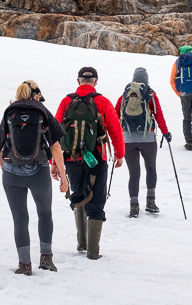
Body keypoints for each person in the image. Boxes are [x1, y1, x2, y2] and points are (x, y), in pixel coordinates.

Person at [0, 80, 69, 276]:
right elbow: (56, 147)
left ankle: (25, 265)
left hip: (12, 174)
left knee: (20, 219)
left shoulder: (10, 111)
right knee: (44, 214)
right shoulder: (41, 111)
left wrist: (5, 169)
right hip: (38, 172)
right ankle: (46, 259)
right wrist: (63, 176)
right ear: (36, 95)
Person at [55, 67, 125, 261]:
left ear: (78, 81)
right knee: (96, 199)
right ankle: (93, 252)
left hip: (71, 158)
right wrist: (119, 154)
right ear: (95, 81)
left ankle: (81, 243)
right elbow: (115, 129)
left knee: (78, 195)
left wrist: (54, 162)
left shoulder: (67, 101)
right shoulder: (102, 101)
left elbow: (54, 133)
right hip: (97, 158)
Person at [115, 67, 171, 217]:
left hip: (128, 139)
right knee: (151, 168)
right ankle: (150, 202)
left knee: (134, 173)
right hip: (148, 138)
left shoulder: (125, 96)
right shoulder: (150, 95)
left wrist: (116, 137)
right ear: (146, 80)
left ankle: (134, 206)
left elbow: (115, 116)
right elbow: (159, 116)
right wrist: (166, 133)